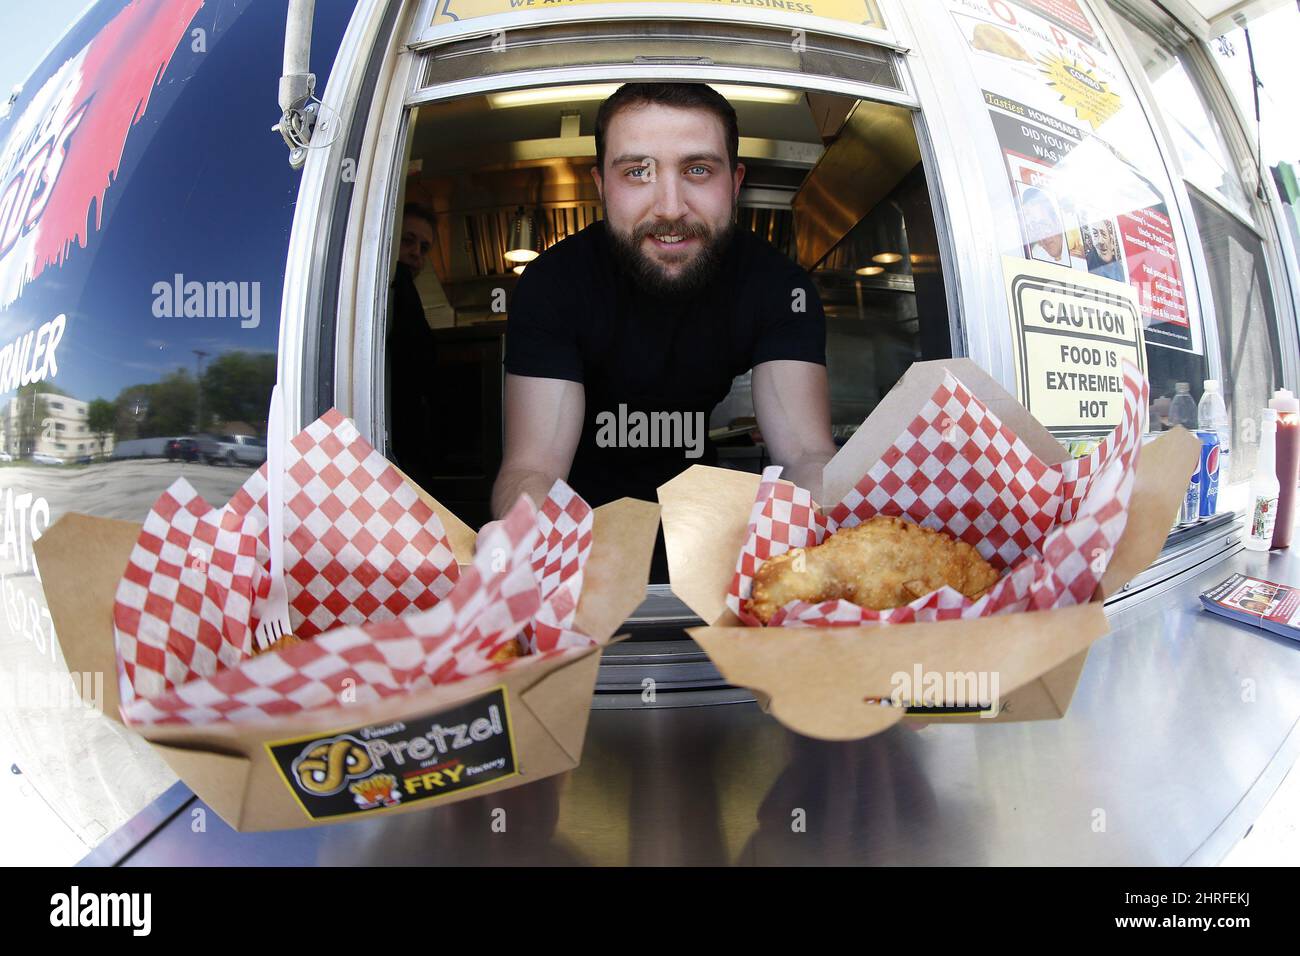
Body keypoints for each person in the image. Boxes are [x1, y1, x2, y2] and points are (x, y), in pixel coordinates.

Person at [491, 83, 838, 579]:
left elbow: (806, 453)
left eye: (698, 169)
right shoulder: (552, 284)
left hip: (699, 515)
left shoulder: (779, 286)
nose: (670, 207)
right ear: (601, 184)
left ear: (735, 182)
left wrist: (841, 535)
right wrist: (532, 545)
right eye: (637, 172)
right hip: (580, 527)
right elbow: (535, 467)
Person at [387, 203, 439, 488]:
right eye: (407, 240)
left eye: (424, 247)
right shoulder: (398, 285)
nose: (416, 253)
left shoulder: (401, 292)